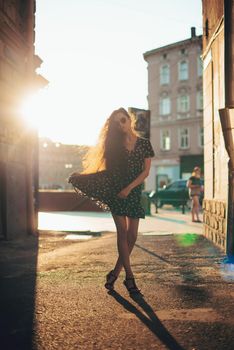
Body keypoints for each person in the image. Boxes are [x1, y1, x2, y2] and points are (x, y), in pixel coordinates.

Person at [68, 108, 154, 295]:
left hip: (132, 192)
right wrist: (84, 178)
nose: (120, 124)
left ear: (129, 119)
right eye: (116, 123)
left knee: (132, 236)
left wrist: (129, 189)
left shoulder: (145, 144)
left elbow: (145, 172)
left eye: (122, 120)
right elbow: (110, 172)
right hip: (116, 192)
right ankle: (129, 278)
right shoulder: (114, 146)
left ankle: (114, 273)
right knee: (122, 232)